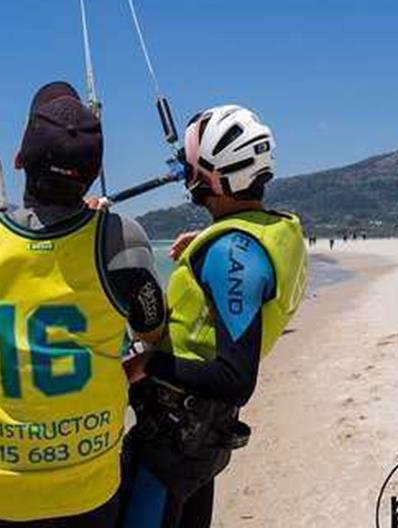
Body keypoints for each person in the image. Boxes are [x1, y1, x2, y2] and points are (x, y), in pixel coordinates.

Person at [0, 81, 167, 527]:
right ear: (93, 175)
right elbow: (154, 338)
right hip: (88, 486)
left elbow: (25, 243)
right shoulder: (121, 241)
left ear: (18, 160)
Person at [120, 104, 308, 528]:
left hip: (176, 440)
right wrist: (211, 239)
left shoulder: (230, 253)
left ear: (213, 176)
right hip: (203, 440)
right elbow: (253, 257)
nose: (183, 173)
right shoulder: (276, 230)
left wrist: (149, 363)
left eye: (188, 166)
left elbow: (236, 379)